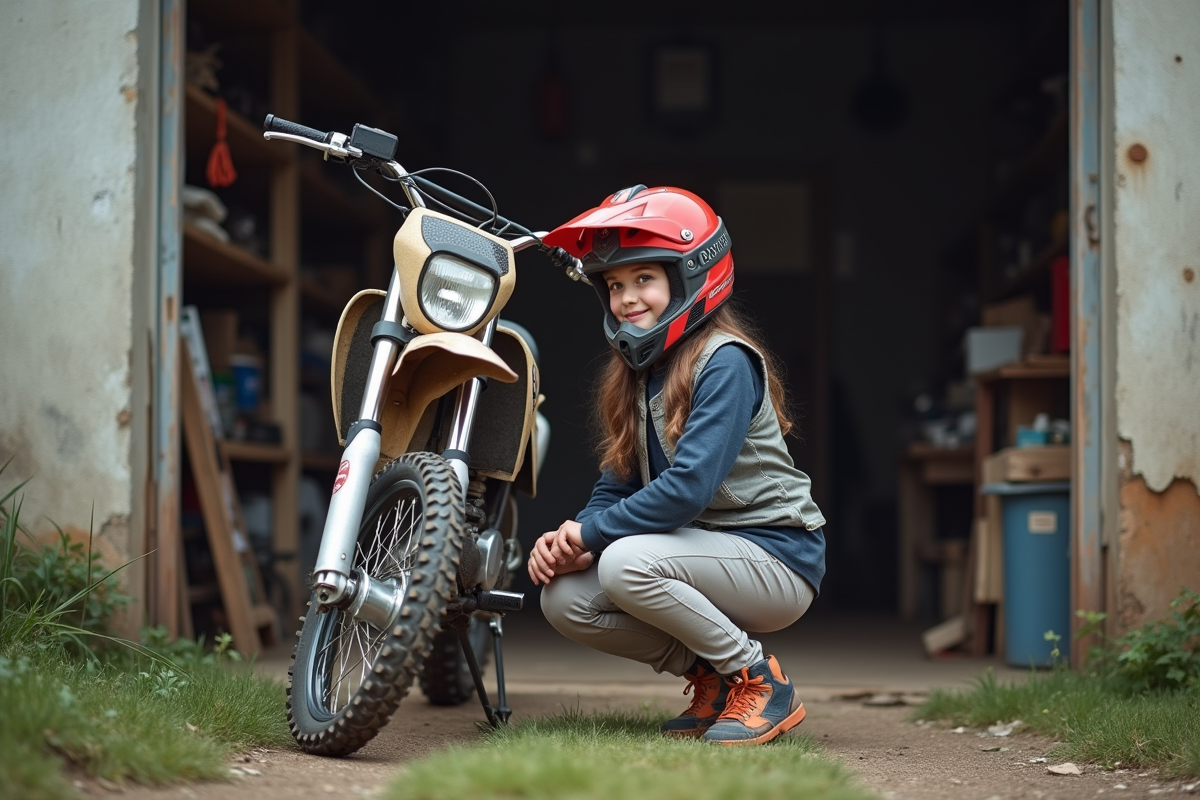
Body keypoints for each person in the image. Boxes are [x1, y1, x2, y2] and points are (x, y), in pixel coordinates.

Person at [531, 185, 826, 747]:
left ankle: (760, 681)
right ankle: (714, 679)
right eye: (615, 285)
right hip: (699, 552)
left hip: (776, 557)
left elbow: (687, 489)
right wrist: (572, 539)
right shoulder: (640, 374)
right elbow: (617, 479)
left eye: (644, 278)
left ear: (691, 277)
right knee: (565, 598)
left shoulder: (726, 362)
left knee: (623, 562)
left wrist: (593, 537)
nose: (625, 298)